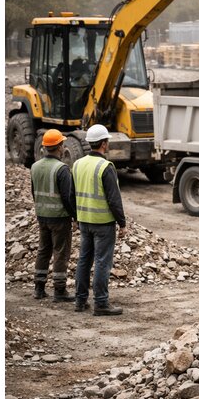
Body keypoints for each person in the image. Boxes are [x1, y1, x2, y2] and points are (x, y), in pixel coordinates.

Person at [73, 124, 127, 316]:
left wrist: (76, 217)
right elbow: (114, 199)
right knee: (102, 262)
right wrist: (122, 223)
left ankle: (80, 301)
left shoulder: (77, 164)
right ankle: (101, 303)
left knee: (84, 260)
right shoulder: (105, 166)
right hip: (103, 223)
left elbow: (72, 194)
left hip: (84, 221)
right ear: (104, 143)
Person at [30, 129, 77, 301]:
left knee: (43, 250)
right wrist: (75, 216)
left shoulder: (35, 167)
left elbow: (34, 192)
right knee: (60, 252)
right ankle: (59, 290)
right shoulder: (61, 169)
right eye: (62, 144)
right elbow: (67, 197)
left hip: (42, 216)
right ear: (59, 147)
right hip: (59, 218)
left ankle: (39, 288)